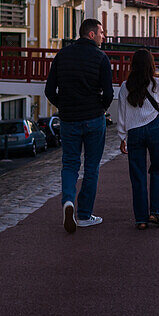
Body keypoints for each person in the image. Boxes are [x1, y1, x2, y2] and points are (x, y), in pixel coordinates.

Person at [45, 18, 113, 233]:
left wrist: (63, 106)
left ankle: (68, 201)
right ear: (91, 34)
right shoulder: (101, 58)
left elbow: (49, 91)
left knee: (70, 164)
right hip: (94, 118)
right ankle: (84, 216)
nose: (104, 36)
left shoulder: (62, 55)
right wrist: (100, 108)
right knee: (91, 167)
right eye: (101, 32)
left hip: (69, 119)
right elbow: (109, 93)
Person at [116, 49, 159, 230]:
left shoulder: (125, 86)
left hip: (134, 132)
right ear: (151, 65)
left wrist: (122, 137)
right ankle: (154, 212)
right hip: (154, 129)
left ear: (133, 65)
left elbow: (122, 115)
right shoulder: (158, 83)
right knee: (158, 169)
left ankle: (141, 219)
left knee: (138, 175)